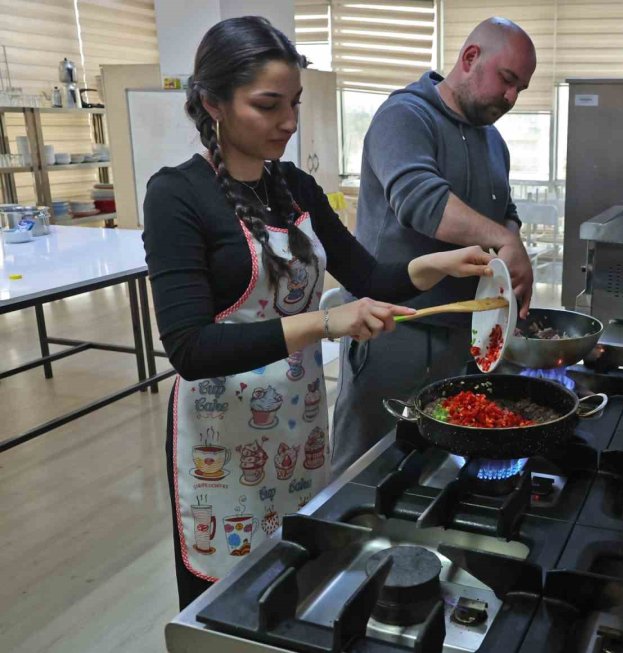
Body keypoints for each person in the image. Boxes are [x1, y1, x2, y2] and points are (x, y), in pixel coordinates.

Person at [142, 16, 494, 609]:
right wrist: (326, 323)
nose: (289, 121)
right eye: (268, 104)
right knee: (225, 604)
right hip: (221, 438)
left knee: (294, 575)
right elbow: (190, 348)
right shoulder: (176, 194)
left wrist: (440, 264)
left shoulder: (296, 187)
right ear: (213, 102)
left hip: (298, 424)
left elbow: (370, 276)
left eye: (295, 103)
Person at [331, 17, 537, 473]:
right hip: (394, 328)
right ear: (469, 59)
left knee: (428, 461)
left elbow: (504, 211)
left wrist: (513, 244)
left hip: (459, 336)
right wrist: (504, 239)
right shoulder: (404, 116)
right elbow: (420, 202)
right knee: (365, 463)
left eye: (520, 88)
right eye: (507, 80)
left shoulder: (494, 141)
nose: (512, 98)